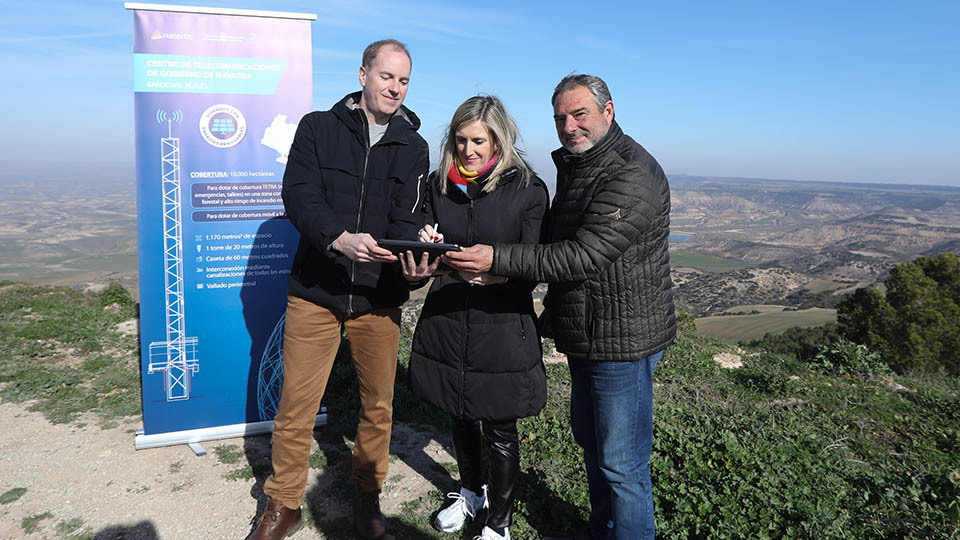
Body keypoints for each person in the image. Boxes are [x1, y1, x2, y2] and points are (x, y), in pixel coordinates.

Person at [444, 75, 677, 540]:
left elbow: (583, 255)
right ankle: (601, 529)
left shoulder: (630, 173)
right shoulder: (581, 164)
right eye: (560, 118)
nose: (569, 127)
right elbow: (554, 239)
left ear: (608, 111)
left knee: (623, 465)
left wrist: (496, 258)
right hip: (588, 331)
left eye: (579, 114)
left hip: (623, 340)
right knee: (593, 446)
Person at [249, 39, 429, 540]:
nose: (395, 88)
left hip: (378, 296)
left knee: (378, 405)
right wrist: (338, 239)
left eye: (403, 80)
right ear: (363, 75)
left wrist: (416, 254)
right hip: (316, 289)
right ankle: (284, 504)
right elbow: (299, 195)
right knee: (296, 404)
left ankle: (367, 496)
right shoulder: (317, 128)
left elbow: (408, 217)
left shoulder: (413, 146)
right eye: (387, 76)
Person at [399, 95, 549, 540]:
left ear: (499, 140)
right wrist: (423, 243)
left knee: (500, 427)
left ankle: (499, 525)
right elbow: (421, 232)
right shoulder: (438, 185)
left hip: (501, 322)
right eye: (461, 140)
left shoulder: (528, 189)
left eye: (479, 141)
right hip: (448, 317)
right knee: (459, 412)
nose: (468, 150)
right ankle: (470, 493)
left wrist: (498, 270)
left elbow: (537, 262)